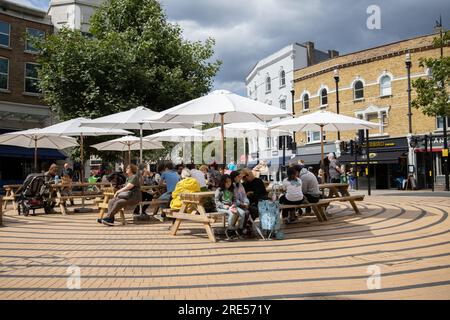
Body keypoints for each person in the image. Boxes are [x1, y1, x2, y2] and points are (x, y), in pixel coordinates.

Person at [215, 174, 246, 239]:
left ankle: (239, 229)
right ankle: (230, 230)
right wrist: (223, 206)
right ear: (223, 182)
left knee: (243, 213)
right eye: (227, 182)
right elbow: (217, 201)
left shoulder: (232, 189)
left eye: (230, 181)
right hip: (222, 207)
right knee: (232, 213)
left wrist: (234, 204)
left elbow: (234, 199)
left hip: (231, 206)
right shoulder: (219, 190)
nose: (229, 183)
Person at [229, 171, 251, 236]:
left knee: (250, 211)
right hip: (234, 204)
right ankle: (239, 229)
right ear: (234, 178)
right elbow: (233, 199)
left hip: (241, 204)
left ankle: (242, 228)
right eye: (238, 177)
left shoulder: (240, 185)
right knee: (245, 212)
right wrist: (242, 204)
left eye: (240, 176)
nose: (240, 178)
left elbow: (244, 195)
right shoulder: (231, 186)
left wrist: (246, 203)